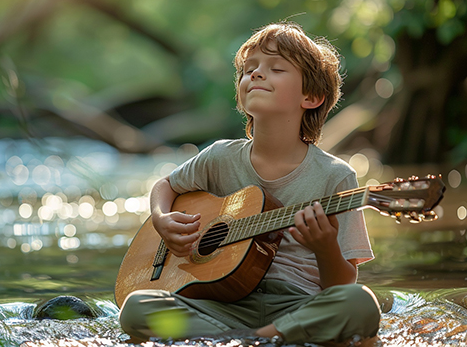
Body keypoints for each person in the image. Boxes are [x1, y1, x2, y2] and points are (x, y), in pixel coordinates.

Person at [118, 21, 381, 345]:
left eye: (276, 68)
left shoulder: (336, 176)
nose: (255, 74)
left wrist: (325, 249)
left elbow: (342, 285)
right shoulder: (219, 157)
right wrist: (161, 219)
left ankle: (254, 337)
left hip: (297, 304)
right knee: (135, 307)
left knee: (361, 304)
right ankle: (263, 338)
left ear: (311, 96)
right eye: (249, 69)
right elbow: (166, 186)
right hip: (221, 304)